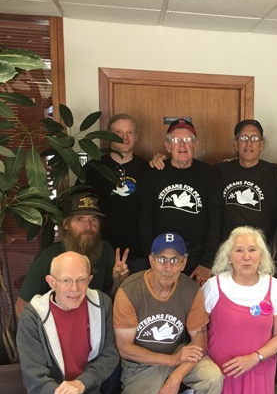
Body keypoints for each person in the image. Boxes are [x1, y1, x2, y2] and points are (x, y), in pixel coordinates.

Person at [16, 251, 138, 394]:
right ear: (51, 282)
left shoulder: (101, 304)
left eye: (81, 280)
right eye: (66, 280)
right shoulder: (32, 318)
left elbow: (109, 355)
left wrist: (81, 384)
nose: (75, 289)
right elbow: (36, 383)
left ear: (89, 279)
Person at [113, 232, 223, 394]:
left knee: (213, 376)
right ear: (151, 260)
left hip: (178, 353)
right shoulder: (130, 290)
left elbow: (200, 340)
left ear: (184, 263)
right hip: (141, 364)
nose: (168, 266)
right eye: (162, 259)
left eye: (175, 260)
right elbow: (125, 347)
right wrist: (171, 361)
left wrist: (175, 376)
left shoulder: (190, 289)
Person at [203, 226, 277, 394]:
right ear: (229, 256)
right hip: (222, 370)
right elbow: (199, 329)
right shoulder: (213, 285)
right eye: (239, 250)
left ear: (261, 255)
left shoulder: (274, 286)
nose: (246, 256)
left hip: (259, 368)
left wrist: (255, 357)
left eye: (252, 250)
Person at [15, 193, 129, 315]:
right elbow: (22, 306)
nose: (88, 226)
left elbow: (110, 299)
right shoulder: (48, 256)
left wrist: (118, 281)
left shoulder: (105, 249)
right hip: (57, 323)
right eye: (80, 219)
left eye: (93, 219)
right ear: (66, 224)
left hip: (95, 322)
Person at [139, 118, 222, 286]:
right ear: (168, 146)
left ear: (195, 145)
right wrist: (152, 258)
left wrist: (207, 263)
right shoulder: (154, 172)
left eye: (188, 140)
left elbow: (216, 220)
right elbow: (144, 219)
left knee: (197, 301)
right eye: (176, 140)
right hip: (162, 254)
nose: (182, 145)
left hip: (197, 255)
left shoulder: (209, 174)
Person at [82, 113, 149, 273]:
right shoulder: (93, 168)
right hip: (100, 251)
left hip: (139, 254)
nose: (124, 137)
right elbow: (79, 207)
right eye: (118, 132)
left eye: (129, 132)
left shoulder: (147, 169)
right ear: (108, 137)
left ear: (136, 137)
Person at [217, 119, 277, 243]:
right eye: (243, 138)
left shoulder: (276, 173)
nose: (248, 143)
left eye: (254, 138)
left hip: (261, 246)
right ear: (236, 144)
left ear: (261, 145)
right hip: (228, 245)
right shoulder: (220, 171)